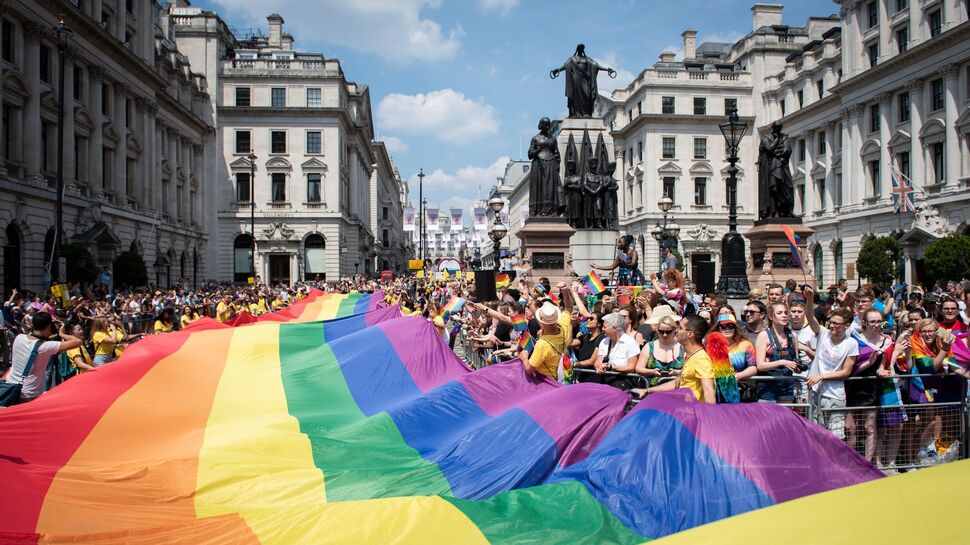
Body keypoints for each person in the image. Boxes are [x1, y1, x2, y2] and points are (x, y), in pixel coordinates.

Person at [804, 289, 859, 440]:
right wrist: (809, 299)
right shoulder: (823, 333)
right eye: (831, 322)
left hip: (835, 396)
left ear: (846, 326)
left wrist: (821, 376)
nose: (832, 326)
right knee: (816, 435)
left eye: (836, 323)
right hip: (815, 392)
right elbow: (809, 317)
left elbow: (846, 371)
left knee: (835, 437)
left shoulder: (851, 343)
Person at [3, 311, 82, 403]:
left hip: (9, 388)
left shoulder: (19, 338)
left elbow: (32, 336)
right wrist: (61, 333)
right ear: (49, 327)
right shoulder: (45, 347)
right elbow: (78, 341)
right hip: (28, 394)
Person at [634, 315, 716, 404]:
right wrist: (647, 390)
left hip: (694, 413)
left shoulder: (701, 359)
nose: (676, 330)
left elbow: (709, 392)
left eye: (680, 328)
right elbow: (677, 383)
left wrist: (708, 417)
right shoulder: (691, 356)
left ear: (690, 334)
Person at [847, 309, 894, 463]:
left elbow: (882, 364)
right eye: (872, 321)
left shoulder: (885, 341)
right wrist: (868, 364)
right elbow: (849, 367)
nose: (876, 325)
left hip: (872, 389)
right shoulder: (854, 339)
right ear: (865, 323)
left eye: (879, 321)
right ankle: (851, 462)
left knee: (870, 428)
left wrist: (881, 370)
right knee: (850, 429)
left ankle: (867, 464)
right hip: (851, 387)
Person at [520, 302, 572, 380]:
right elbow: (569, 307)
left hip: (547, 382)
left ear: (541, 321)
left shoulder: (542, 345)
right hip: (562, 380)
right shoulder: (563, 327)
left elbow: (529, 369)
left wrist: (524, 358)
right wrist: (565, 290)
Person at [590, 312, 640, 389]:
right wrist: (599, 367)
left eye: (605, 327)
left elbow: (631, 367)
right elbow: (597, 361)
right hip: (604, 381)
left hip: (621, 382)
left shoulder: (630, 343)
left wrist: (610, 367)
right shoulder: (604, 341)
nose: (602, 329)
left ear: (615, 328)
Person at [635, 315, 684, 386]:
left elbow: (690, 371)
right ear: (657, 330)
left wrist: (677, 372)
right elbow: (638, 368)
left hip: (675, 389)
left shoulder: (682, 348)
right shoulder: (649, 346)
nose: (664, 335)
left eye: (668, 331)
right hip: (652, 390)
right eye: (661, 331)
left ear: (674, 330)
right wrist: (651, 371)